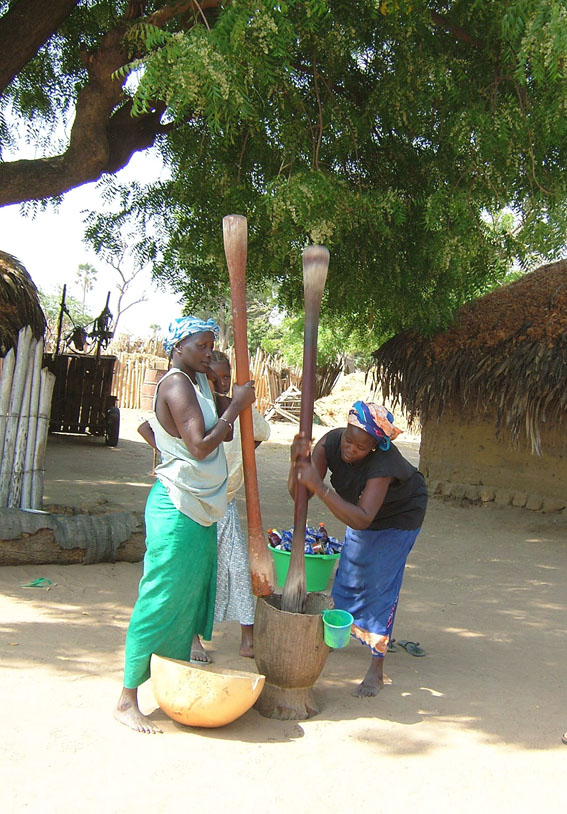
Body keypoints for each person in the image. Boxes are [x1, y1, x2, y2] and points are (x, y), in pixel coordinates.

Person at [114, 316, 256, 733]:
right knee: (160, 599)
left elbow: (219, 436)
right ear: (178, 346)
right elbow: (199, 446)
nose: (209, 352)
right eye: (201, 345)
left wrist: (228, 402)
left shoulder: (198, 382)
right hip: (177, 508)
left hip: (199, 507)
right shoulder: (176, 384)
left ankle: (168, 681)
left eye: (212, 344)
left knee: (188, 600)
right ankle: (125, 698)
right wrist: (236, 406)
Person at [288, 400, 428, 698]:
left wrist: (321, 488)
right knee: (348, 578)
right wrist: (294, 463)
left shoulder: (383, 465)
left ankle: (377, 669)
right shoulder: (330, 443)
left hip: (399, 516)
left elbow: (363, 519)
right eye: (349, 440)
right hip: (363, 511)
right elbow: (299, 493)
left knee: (380, 585)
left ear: (374, 448)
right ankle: (332, 639)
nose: (350, 449)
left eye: (360, 447)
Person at [191, 351, 271, 662]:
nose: (221, 384)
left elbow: (260, 432)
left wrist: (241, 457)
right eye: (214, 378)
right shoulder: (198, 408)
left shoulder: (240, 410)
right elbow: (151, 428)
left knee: (238, 569)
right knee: (200, 572)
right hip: (198, 505)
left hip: (225, 503)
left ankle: (247, 637)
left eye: (226, 378)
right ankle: (194, 637)